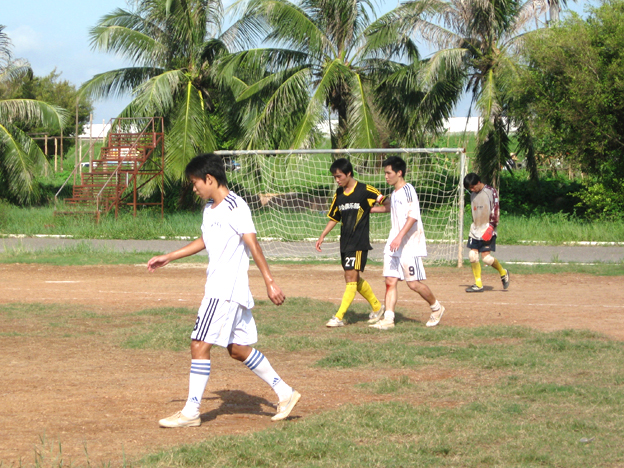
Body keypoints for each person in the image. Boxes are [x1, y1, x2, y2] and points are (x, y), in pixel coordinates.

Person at [147, 153, 300, 428]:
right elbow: (206, 240)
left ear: (209, 178)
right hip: (225, 290)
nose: (194, 188)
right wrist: (169, 256)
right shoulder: (210, 207)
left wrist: (270, 281)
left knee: (198, 344)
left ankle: (191, 412)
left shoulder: (236, 206)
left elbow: (253, 244)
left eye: (195, 182)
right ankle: (285, 392)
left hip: (224, 291)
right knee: (237, 349)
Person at [369, 156, 446, 329]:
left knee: (413, 284)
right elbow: (390, 208)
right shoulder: (394, 193)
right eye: (385, 173)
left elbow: (413, 216)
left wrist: (399, 237)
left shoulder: (408, 190)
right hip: (394, 244)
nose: (386, 176)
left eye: (389, 173)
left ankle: (436, 308)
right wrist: (371, 210)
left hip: (409, 245)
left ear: (399, 173)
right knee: (390, 280)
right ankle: (389, 319)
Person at [315, 158, 385, 327]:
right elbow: (334, 217)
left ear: (349, 173)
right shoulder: (339, 194)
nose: (337, 180)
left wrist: (373, 209)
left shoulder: (365, 190)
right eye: (335, 177)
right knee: (353, 277)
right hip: (345, 242)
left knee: (350, 278)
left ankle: (338, 317)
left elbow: (386, 202)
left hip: (359, 242)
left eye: (339, 176)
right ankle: (377, 307)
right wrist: (323, 235)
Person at [463, 172, 510, 293]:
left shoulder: (491, 191)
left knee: (486, 259)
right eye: (469, 188)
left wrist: (491, 227)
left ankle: (503, 272)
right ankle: (478, 284)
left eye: (473, 187)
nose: (472, 190)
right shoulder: (473, 195)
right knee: (472, 255)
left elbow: (496, 209)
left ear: (478, 182)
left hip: (488, 228)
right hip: (475, 229)